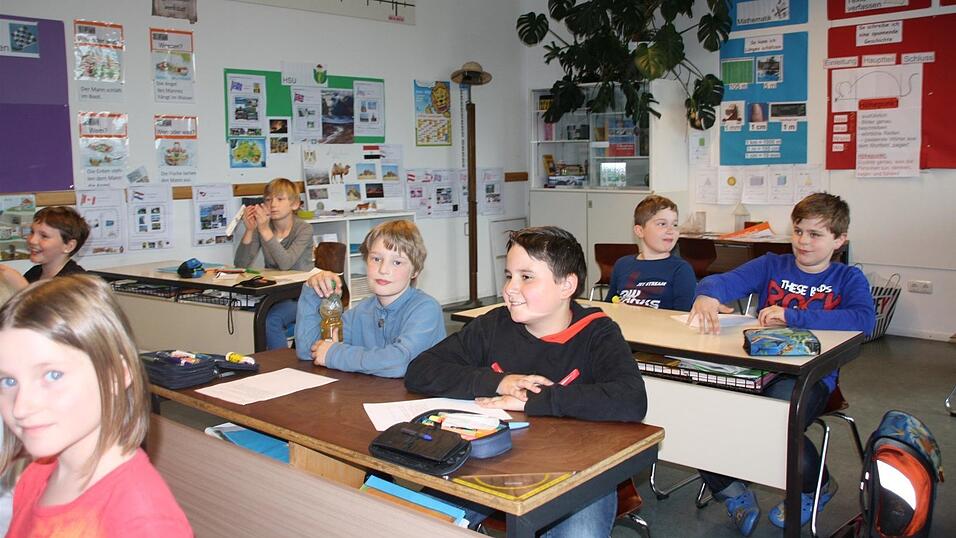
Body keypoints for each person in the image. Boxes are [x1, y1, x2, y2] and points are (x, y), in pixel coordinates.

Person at [405, 226, 647, 537]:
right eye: (509, 275)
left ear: (567, 285)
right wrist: (500, 381)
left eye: (526, 277)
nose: (510, 288)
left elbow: (631, 399)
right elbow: (420, 370)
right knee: (416, 522)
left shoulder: (597, 333)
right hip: (489, 464)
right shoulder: (493, 325)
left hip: (576, 472)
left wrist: (534, 400)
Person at [687, 193, 876, 535]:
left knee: (777, 419)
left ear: (839, 240)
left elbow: (864, 320)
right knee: (699, 408)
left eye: (815, 234)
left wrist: (793, 315)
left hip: (811, 377)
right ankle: (730, 490)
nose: (803, 241)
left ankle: (813, 487)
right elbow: (722, 281)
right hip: (757, 366)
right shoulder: (773, 264)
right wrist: (707, 294)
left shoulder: (848, 279)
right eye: (798, 231)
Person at [0, 274, 192, 536]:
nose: (20, 408)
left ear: (116, 375)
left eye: (52, 375)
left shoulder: (144, 523)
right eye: (8, 380)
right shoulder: (37, 473)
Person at [295, 220, 444, 378]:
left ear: (415, 271)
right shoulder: (361, 311)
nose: (383, 269)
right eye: (376, 259)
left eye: (397, 262)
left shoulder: (426, 309)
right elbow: (309, 350)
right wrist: (313, 291)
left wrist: (335, 354)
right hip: (372, 396)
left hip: (417, 400)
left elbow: (400, 363)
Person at [233, 177, 314, 350]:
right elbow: (240, 263)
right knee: (244, 315)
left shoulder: (304, 229)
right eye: (268, 200)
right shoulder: (264, 226)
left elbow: (286, 263)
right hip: (274, 293)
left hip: (301, 295)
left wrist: (263, 230)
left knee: (271, 320)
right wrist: (250, 230)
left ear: (294, 204)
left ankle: (281, 366)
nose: (273, 204)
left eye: (280, 199)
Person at [605, 195, 696, 311]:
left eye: (675, 225)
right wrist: (617, 309)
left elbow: (683, 317)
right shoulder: (622, 265)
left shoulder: (681, 269)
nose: (671, 230)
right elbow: (609, 307)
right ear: (640, 231)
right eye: (662, 224)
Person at [0, 206, 90, 292]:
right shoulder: (34, 273)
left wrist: (22, 287)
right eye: (32, 232)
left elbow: (45, 307)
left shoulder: (77, 285)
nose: (32, 240)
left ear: (69, 246)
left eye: (44, 236)